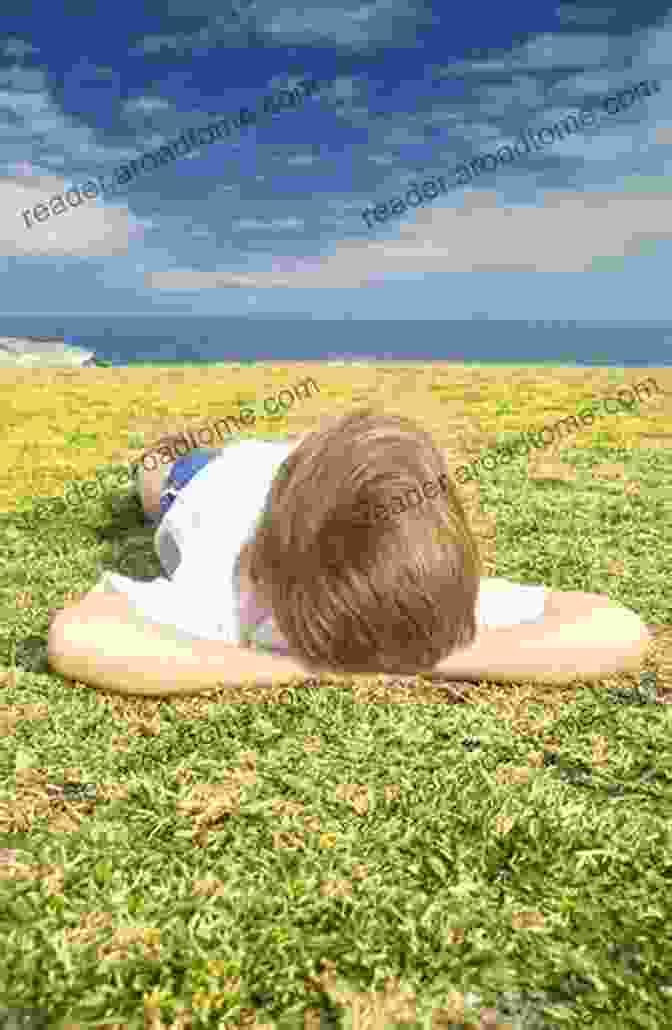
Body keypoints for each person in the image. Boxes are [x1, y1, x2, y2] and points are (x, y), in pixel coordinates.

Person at [47, 409, 650, 697]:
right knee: (156, 474)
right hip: (202, 486)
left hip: (289, 472)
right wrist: (299, 666)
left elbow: (617, 629)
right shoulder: (235, 601)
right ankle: (169, 446)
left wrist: (419, 656)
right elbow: (78, 637)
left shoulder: (412, 590)